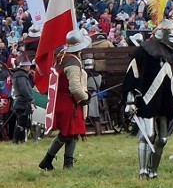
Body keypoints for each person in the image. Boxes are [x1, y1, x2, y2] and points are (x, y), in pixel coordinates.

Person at [123, 20, 173, 179]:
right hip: (147, 100)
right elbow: (132, 75)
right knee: (149, 135)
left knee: (163, 139)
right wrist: (130, 100)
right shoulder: (143, 51)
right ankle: (143, 170)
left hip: (165, 101)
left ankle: (154, 171)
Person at [38, 29, 91, 170]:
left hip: (62, 100)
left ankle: (68, 163)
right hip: (69, 102)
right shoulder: (72, 62)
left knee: (72, 133)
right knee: (66, 133)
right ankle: (48, 160)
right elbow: (74, 87)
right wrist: (85, 97)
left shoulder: (62, 57)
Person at [9, 55, 35, 143]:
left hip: (22, 100)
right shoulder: (21, 76)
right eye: (28, 66)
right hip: (21, 101)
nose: (29, 67)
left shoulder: (21, 75)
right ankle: (17, 139)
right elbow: (24, 89)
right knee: (21, 121)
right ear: (25, 66)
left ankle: (20, 139)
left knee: (22, 121)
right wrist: (30, 98)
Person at [83, 55, 104, 136]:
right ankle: (98, 133)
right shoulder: (99, 76)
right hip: (94, 95)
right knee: (95, 116)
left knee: (83, 115)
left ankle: (82, 134)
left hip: (86, 95)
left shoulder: (85, 74)